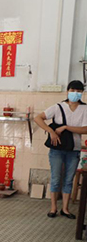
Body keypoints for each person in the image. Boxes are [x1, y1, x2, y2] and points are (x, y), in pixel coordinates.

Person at [34, 80, 87, 219]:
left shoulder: (85, 109)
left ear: (82, 93)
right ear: (67, 91)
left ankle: (65, 209)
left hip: (74, 149)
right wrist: (50, 131)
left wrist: (65, 127)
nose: (75, 93)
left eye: (79, 91)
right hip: (57, 149)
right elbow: (38, 118)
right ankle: (53, 208)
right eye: (73, 90)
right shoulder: (58, 107)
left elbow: (85, 129)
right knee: (56, 177)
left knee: (69, 179)